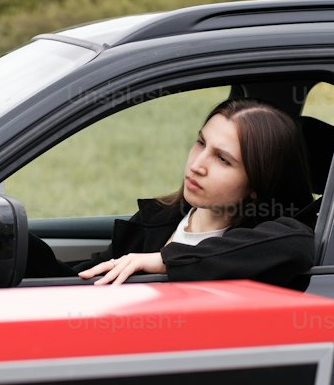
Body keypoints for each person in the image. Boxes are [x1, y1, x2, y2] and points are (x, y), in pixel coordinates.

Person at [26, 98, 316, 289]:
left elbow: (296, 244)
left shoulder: (263, 243)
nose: (197, 164)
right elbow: (86, 281)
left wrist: (161, 260)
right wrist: (18, 246)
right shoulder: (157, 220)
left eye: (223, 159)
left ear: (256, 184)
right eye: (201, 143)